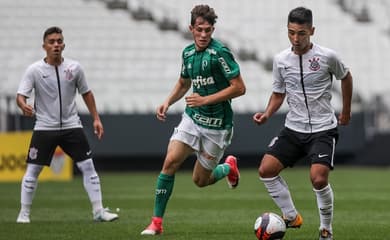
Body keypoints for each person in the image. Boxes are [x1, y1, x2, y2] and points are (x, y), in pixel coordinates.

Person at [141, 4, 246, 235]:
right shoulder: (187, 53)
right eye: (199, 30)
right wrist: (168, 102)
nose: (203, 35)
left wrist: (206, 100)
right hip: (193, 119)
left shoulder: (221, 53)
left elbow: (239, 88)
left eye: (208, 30)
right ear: (191, 28)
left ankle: (228, 167)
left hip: (218, 126)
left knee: (200, 180)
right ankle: (156, 222)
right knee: (170, 162)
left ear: (213, 30)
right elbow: (183, 83)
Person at [252, 7, 353, 240]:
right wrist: (267, 114)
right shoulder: (280, 60)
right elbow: (278, 93)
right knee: (266, 171)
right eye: (291, 33)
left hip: (322, 129)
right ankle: (291, 216)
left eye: (301, 33)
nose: (296, 39)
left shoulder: (328, 56)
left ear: (312, 31)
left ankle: (326, 230)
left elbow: (346, 77)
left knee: (318, 178)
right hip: (293, 128)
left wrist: (346, 111)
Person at [15, 26, 119, 223]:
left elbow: (86, 93)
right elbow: (21, 96)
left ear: (64, 44)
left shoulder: (74, 68)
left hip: (72, 126)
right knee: (33, 170)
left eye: (59, 41)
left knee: (88, 166)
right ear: (44, 46)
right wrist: (23, 106)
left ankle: (98, 211)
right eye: (52, 41)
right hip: (45, 127)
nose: (56, 45)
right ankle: (24, 213)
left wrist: (96, 118)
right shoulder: (34, 70)